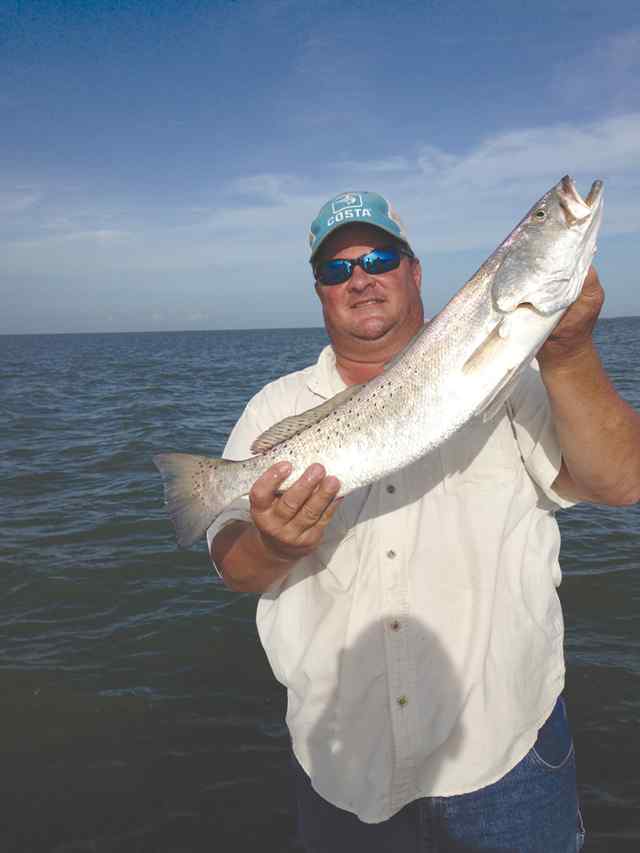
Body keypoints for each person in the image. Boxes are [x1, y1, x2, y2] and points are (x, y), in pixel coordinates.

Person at [208, 191, 640, 852]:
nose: (360, 278)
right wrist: (271, 544)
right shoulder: (273, 409)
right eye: (337, 269)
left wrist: (569, 348)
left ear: (414, 271)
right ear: (320, 291)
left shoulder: (516, 376)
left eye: (379, 257)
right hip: (345, 773)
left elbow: (621, 480)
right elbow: (234, 567)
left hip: (507, 758)